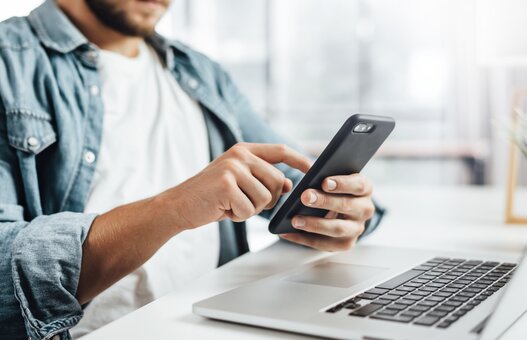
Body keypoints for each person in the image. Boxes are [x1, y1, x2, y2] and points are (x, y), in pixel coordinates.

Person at [0, 0, 384, 339]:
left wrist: (341, 211)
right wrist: (174, 208)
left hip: (218, 324)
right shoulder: (8, 62)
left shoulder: (199, 71)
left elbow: (298, 188)